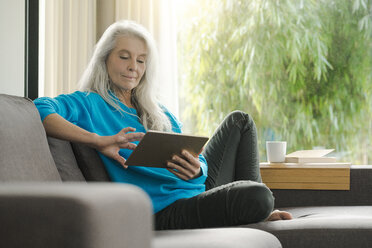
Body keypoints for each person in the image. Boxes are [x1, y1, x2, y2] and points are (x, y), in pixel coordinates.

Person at [34, 20, 292, 230]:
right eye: (124, 57)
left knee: (240, 121)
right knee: (257, 196)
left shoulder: (157, 110)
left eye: (141, 60)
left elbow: (197, 158)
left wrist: (198, 170)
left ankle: (259, 211)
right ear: (105, 59)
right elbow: (39, 108)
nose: (133, 67)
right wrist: (98, 140)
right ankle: (258, 209)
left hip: (196, 190)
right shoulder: (89, 103)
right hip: (165, 209)